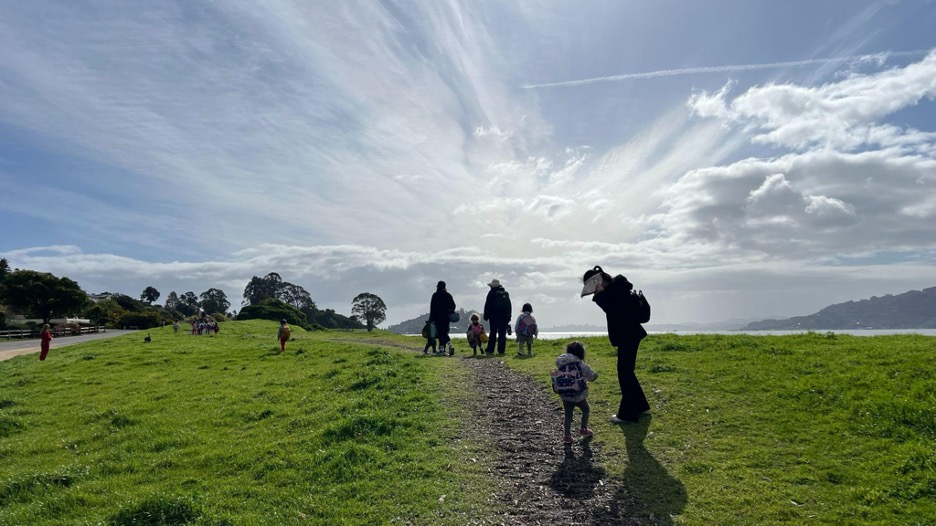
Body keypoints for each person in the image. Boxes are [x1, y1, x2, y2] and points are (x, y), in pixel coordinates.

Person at [582, 265, 651, 423]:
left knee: (625, 374)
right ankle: (641, 406)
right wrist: (601, 295)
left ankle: (628, 415)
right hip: (630, 334)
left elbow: (615, 311)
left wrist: (600, 296)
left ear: (598, 280)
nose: (592, 291)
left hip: (628, 334)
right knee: (627, 372)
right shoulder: (617, 287)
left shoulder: (615, 290)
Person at [553, 341, 599, 444]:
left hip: (564, 395)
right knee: (586, 409)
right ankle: (583, 429)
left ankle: (567, 436)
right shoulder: (581, 365)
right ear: (581, 353)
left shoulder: (561, 365)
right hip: (579, 395)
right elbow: (593, 377)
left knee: (568, 415)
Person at [483, 278, 512, 355]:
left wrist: (486, 315)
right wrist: (509, 316)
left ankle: (490, 349)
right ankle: (501, 350)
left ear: (493, 286)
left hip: (494, 317)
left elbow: (487, 305)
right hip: (504, 317)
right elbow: (509, 306)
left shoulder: (491, 293)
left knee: (493, 333)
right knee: (502, 334)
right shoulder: (505, 293)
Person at [429, 281, 456, 355]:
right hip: (446, 317)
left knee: (441, 333)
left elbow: (432, 308)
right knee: (445, 332)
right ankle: (442, 349)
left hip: (438, 318)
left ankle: (448, 346)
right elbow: (453, 306)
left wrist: (432, 319)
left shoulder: (435, 295)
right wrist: (449, 312)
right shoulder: (448, 295)